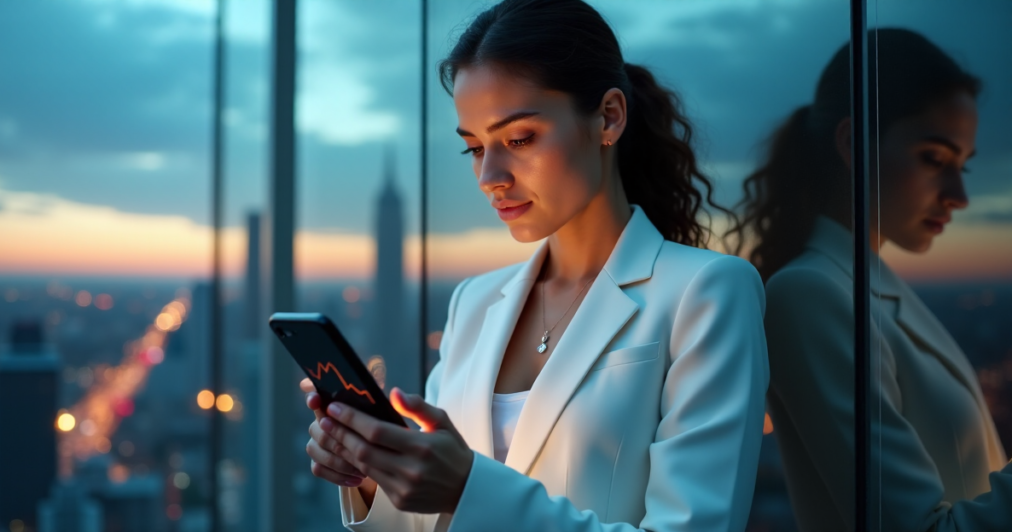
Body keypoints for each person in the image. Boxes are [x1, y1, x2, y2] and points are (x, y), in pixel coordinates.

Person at [302, 1, 769, 530]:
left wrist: (468, 488)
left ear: (609, 118)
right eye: (474, 148)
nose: (490, 176)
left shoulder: (705, 293)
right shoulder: (474, 303)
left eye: (518, 139)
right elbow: (431, 520)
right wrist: (372, 475)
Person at [729, 28, 1012, 532]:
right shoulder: (809, 295)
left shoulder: (871, 289)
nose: (959, 195)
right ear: (853, 143)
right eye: (935, 158)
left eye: (963, 166)